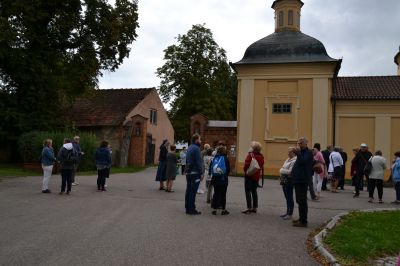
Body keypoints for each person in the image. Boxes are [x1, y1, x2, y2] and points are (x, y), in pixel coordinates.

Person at [291, 137, 313, 227]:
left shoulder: (308, 153)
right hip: (297, 180)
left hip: (303, 180)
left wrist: (298, 154)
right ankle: (301, 218)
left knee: (302, 201)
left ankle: (303, 221)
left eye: (300, 143)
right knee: (299, 200)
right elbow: (298, 165)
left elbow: (302, 162)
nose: (298, 145)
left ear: (305, 144)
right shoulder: (301, 153)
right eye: (298, 143)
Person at [242, 141, 264, 214]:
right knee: (254, 191)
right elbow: (261, 166)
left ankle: (249, 207)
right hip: (256, 175)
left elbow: (246, 165)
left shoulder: (250, 155)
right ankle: (255, 207)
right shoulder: (261, 156)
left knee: (247, 191)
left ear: (253, 148)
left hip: (249, 175)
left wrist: (245, 171)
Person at [185, 133, 203, 215]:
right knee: (193, 191)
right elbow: (199, 162)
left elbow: (187, 160)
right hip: (195, 173)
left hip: (189, 173)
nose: (201, 141)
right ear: (196, 140)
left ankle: (187, 208)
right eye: (200, 139)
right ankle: (192, 209)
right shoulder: (196, 148)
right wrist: (201, 173)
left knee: (188, 190)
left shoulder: (189, 147)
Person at [210, 145, 231, 215]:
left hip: (215, 179)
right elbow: (228, 169)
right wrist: (225, 175)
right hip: (223, 179)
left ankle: (214, 209)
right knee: (223, 194)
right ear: (224, 151)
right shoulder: (225, 158)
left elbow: (211, 168)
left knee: (216, 193)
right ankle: (223, 210)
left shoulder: (214, 158)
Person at [279, 147, 297, 220]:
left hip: (290, 180)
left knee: (289, 197)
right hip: (284, 180)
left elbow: (290, 171)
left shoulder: (295, 160)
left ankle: (290, 213)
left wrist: (282, 170)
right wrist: (283, 170)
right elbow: (283, 168)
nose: (288, 153)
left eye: (290, 152)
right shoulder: (287, 159)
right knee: (286, 197)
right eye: (288, 151)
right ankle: (287, 212)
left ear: (293, 153)